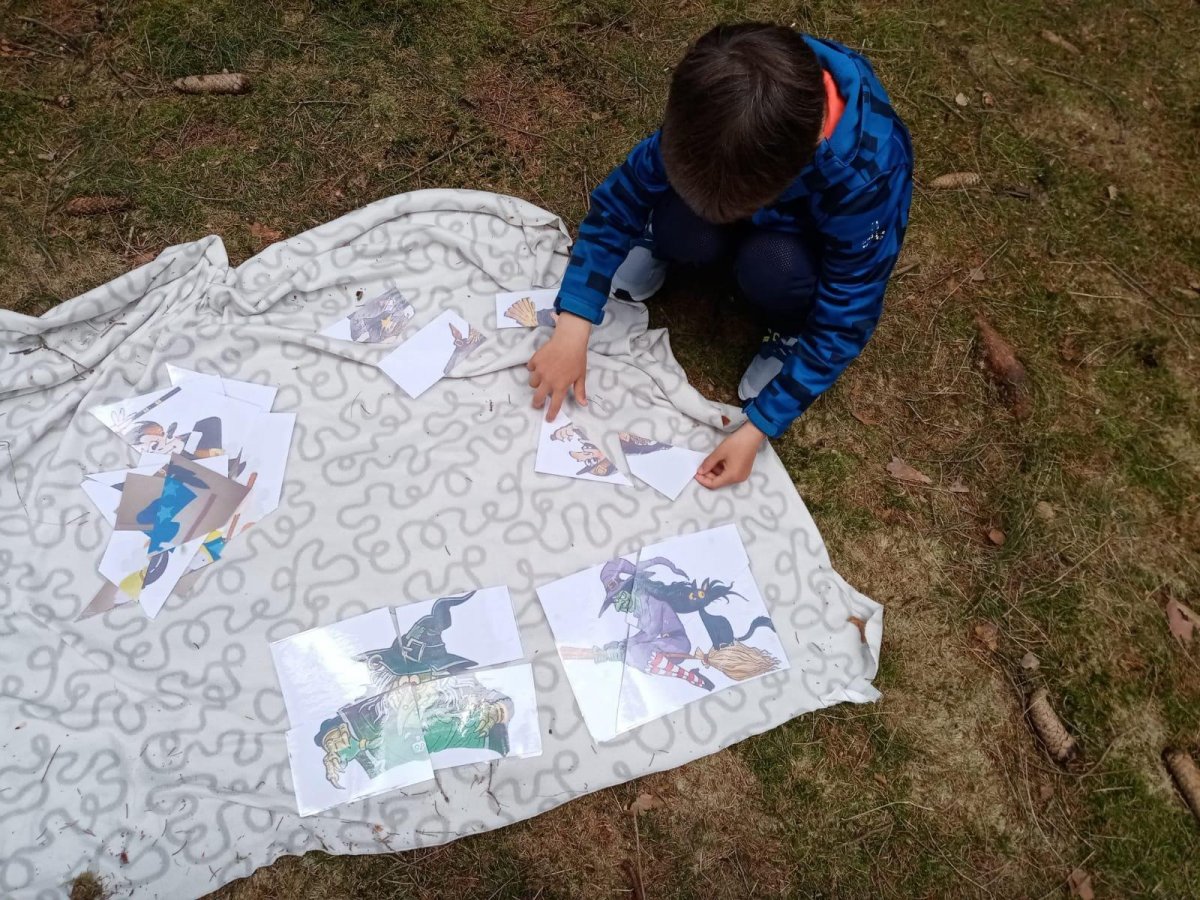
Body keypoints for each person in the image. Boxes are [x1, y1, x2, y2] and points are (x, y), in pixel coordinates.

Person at [526, 24, 913, 488]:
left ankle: (788, 327)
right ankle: (667, 236)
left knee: (774, 268)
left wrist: (760, 426)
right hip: (745, 189)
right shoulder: (720, 103)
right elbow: (621, 202)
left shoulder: (867, 178)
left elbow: (848, 311)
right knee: (684, 228)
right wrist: (575, 319)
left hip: (793, 250)